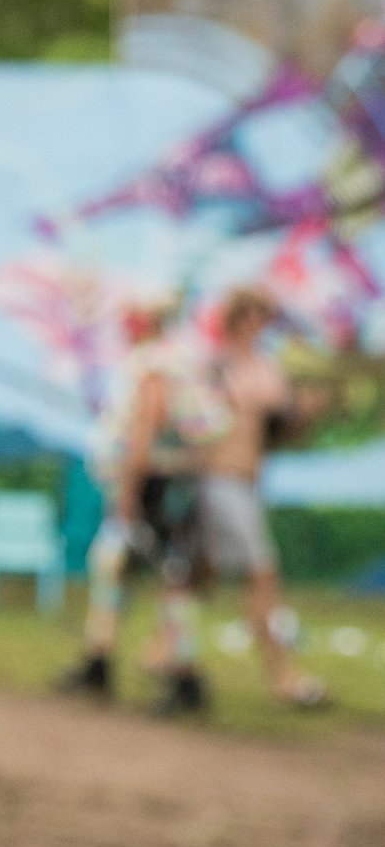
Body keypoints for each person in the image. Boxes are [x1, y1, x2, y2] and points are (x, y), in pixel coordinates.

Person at [57, 297, 231, 713]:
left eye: (129, 315)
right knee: (115, 567)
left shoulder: (154, 364)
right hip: (162, 484)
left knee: (170, 579)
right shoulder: (172, 361)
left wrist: (128, 494)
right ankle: (99, 659)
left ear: (147, 319)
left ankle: (185, 676)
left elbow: (147, 426)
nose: (121, 322)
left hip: (153, 486)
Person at [198, 288, 329, 710]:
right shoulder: (213, 367)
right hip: (215, 480)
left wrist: (306, 413)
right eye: (251, 314)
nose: (258, 323)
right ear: (235, 317)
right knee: (261, 575)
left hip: (247, 482)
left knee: (200, 577)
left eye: (264, 315)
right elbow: (193, 423)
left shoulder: (269, 370)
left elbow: (283, 433)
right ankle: (283, 677)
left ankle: (163, 652)